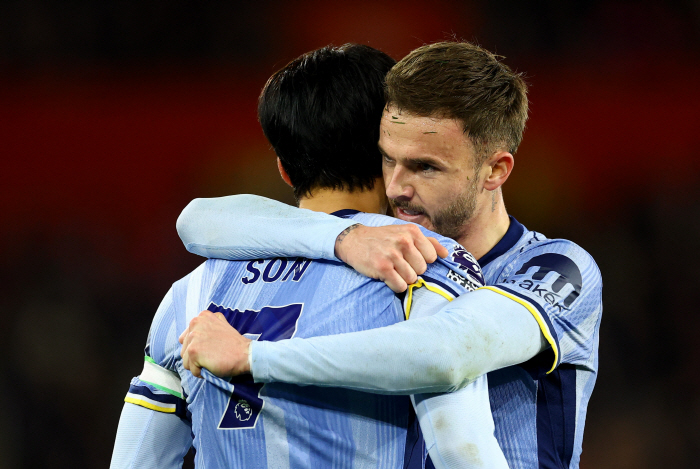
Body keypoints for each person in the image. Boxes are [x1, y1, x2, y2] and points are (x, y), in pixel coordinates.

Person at [178, 41, 603, 469]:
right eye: (387, 159)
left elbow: (447, 353)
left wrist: (254, 357)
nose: (397, 187)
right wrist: (342, 237)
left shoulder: (558, 267)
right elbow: (197, 221)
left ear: (495, 170)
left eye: (425, 167)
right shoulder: (379, 258)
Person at [111, 43, 510, 469]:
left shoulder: (186, 297)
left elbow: (136, 459)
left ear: (284, 168)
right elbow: (458, 446)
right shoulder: (418, 261)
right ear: (388, 150)